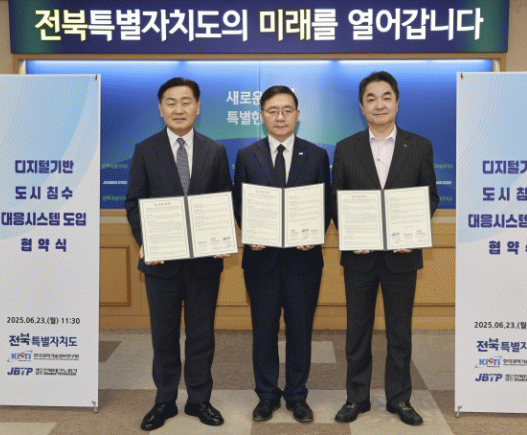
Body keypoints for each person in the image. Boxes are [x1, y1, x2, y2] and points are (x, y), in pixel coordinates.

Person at [331, 71, 439, 426]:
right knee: (357, 331)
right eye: (371, 98)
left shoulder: (419, 145)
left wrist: (413, 232)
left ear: (397, 102)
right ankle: (356, 397)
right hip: (359, 258)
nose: (379, 105)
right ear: (361, 106)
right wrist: (351, 234)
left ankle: (399, 398)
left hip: (401, 257)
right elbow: (337, 199)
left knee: (399, 332)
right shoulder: (346, 147)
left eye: (386, 97)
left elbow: (430, 196)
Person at [125, 77, 232, 431]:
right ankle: (165, 399)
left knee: (201, 335)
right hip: (161, 262)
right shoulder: (145, 149)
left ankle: (199, 399)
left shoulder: (215, 150)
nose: (179, 109)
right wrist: (146, 240)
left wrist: (222, 236)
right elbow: (134, 202)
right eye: (171, 102)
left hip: (204, 263)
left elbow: (224, 200)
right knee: (164, 336)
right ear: (161, 109)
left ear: (198, 107)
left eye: (186, 102)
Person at [232, 85, 331, 423]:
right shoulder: (247, 156)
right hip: (261, 261)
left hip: (304, 261)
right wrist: (249, 231)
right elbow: (238, 202)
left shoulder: (316, 155)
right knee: (263, 330)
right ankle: (266, 395)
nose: (280, 117)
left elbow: (325, 203)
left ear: (297, 115)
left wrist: (314, 234)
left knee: (300, 331)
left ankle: (297, 396)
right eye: (273, 110)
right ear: (262, 116)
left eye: (287, 110)